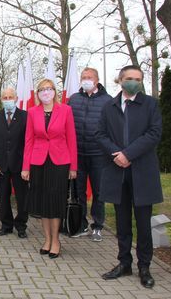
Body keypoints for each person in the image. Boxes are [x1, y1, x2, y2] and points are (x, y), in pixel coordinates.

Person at [97, 65, 162, 288]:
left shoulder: (150, 104)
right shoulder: (109, 106)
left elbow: (154, 133)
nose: (133, 82)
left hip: (142, 171)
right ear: (120, 80)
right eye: (129, 78)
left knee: (143, 223)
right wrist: (116, 154)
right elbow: (100, 134)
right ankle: (124, 263)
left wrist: (128, 154)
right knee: (122, 222)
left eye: (138, 78)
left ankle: (145, 266)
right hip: (117, 171)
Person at [22, 78, 77, 259]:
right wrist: (25, 167)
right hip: (38, 162)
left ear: (55, 91)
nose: (46, 92)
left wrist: (73, 166)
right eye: (42, 90)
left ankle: (56, 240)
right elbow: (28, 140)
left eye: (49, 89)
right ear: (37, 94)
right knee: (43, 204)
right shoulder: (32, 112)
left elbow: (71, 139)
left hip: (59, 162)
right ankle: (47, 239)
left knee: (55, 202)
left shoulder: (66, 110)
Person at [68, 67, 112, 242]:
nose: (86, 80)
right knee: (78, 191)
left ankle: (98, 226)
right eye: (83, 77)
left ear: (97, 80)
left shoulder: (108, 101)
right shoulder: (74, 99)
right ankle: (81, 223)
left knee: (99, 191)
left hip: (98, 154)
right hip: (77, 153)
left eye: (89, 77)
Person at [0, 87, 28, 238]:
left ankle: (21, 225)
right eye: (5, 97)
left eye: (11, 97)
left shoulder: (25, 116)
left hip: (20, 165)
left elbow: (29, 143)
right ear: (1, 100)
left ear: (16, 98)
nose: (8, 99)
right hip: (0, 165)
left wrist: (27, 166)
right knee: (3, 197)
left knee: (22, 198)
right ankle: (6, 225)